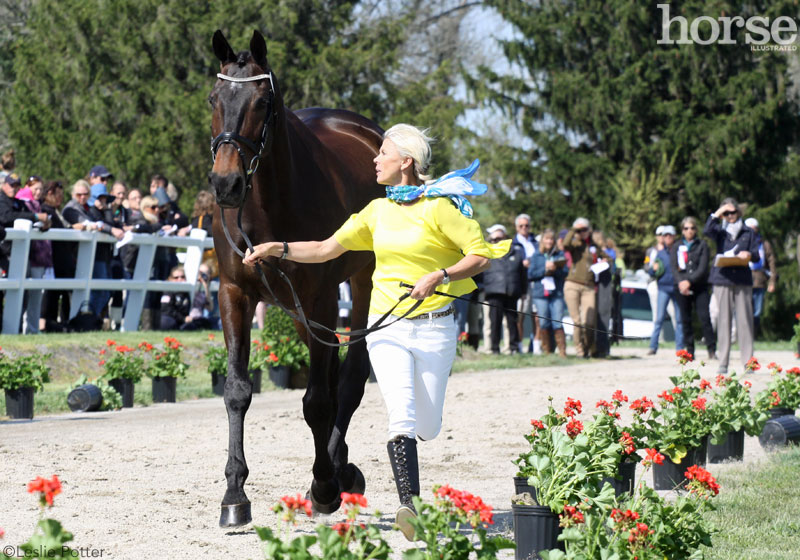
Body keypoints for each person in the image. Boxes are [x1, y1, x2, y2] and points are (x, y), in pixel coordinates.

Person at [241, 123, 510, 540]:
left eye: (382, 153)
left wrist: (440, 274)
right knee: (399, 418)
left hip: (436, 330)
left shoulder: (440, 208)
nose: (374, 160)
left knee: (428, 425)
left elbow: (481, 256)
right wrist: (280, 248)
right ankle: (410, 507)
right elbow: (327, 248)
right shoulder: (375, 211)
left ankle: (419, 457)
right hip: (387, 328)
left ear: (406, 162)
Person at [704, 198, 757, 373]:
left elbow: (757, 256)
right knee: (723, 321)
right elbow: (707, 230)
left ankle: (748, 363)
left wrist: (748, 254)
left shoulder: (748, 232)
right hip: (722, 279)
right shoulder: (719, 231)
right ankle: (723, 362)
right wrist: (718, 213)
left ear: (739, 212)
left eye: (732, 212)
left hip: (742, 280)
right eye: (726, 213)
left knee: (745, 322)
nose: (730, 216)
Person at [671, 216, 715, 360]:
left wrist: (689, 281)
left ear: (696, 229)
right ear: (682, 230)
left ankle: (711, 349)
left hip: (699, 286)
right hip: (681, 287)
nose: (689, 231)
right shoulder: (676, 246)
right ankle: (689, 350)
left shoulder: (702, 245)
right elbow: (674, 268)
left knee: (704, 318)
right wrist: (681, 282)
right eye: (686, 228)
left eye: (692, 228)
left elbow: (702, 268)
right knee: (685, 319)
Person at [563, 217, 607, 358]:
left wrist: (605, 260)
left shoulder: (594, 246)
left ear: (589, 230)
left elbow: (608, 258)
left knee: (588, 322)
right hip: (572, 285)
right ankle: (580, 351)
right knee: (577, 321)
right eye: (579, 230)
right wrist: (573, 230)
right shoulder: (575, 244)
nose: (582, 232)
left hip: (588, 287)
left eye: (585, 229)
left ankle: (589, 347)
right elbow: (565, 244)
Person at [15, 176, 53, 334]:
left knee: (36, 293)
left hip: (38, 255)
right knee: (23, 294)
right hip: (28, 254)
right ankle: (22, 328)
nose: (38, 192)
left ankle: (32, 328)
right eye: (35, 189)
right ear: (27, 187)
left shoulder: (37, 204)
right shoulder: (23, 203)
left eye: (40, 189)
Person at [481, 224, 526, 354]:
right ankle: (494, 349)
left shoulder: (516, 253)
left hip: (511, 292)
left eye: (499, 239)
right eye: (494, 239)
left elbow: (522, 274)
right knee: (494, 323)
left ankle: (512, 348)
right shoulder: (485, 253)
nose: (496, 242)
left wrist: (523, 291)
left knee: (511, 322)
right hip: (493, 293)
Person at [528, 228, 568, 356]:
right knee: (544, 322)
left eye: (551, 239)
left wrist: (555, 269)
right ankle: (547, 351)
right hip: (540, 294)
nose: (549, 241)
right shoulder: (536, 256)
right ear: (542, 241)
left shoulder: (559, 255)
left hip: (556, 293)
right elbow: (530, 274)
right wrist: (544, 269)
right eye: (547, 239)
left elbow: (565, 272)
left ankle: (562, 351)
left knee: (557, 321)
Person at [40, 180, 74, 329]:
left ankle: (59, 322)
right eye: (58, 195)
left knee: (61, 292)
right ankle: (49, 323)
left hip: (61, 260)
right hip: (54, 259)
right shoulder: (47, 210)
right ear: (49, 194)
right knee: (52, 294)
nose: (61, 198)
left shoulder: (55, 211)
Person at [646, 225, 684, 355]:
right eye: (665, 235)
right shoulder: (659, 253)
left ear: (674, 236)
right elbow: (651, 271)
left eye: (670, 235)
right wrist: (653, 269)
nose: (667, 237)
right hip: (663, 288)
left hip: (677, 288)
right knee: (659, 318)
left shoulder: (680, 250)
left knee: (679, 319)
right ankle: (653, 346)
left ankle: (679, 348)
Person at [744, 218, 776, 337]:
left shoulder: (764, 244)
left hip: (760, 279)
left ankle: (752, 335)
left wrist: (772, 281)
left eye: (754, 228)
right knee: (743, 310)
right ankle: (742, 335)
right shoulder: (742, 241)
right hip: (743, 279)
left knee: (757, 311)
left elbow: (771, 262)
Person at [513, 213, 538, 353]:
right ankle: (519, 346)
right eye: (521, 226)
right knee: (520, 315)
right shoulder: (512, 243)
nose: (524, 228)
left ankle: (536, 347)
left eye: (526, 225)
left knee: (536, 316)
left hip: (537, 282)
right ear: (517, 227)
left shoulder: (535, 242)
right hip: (521, 283)